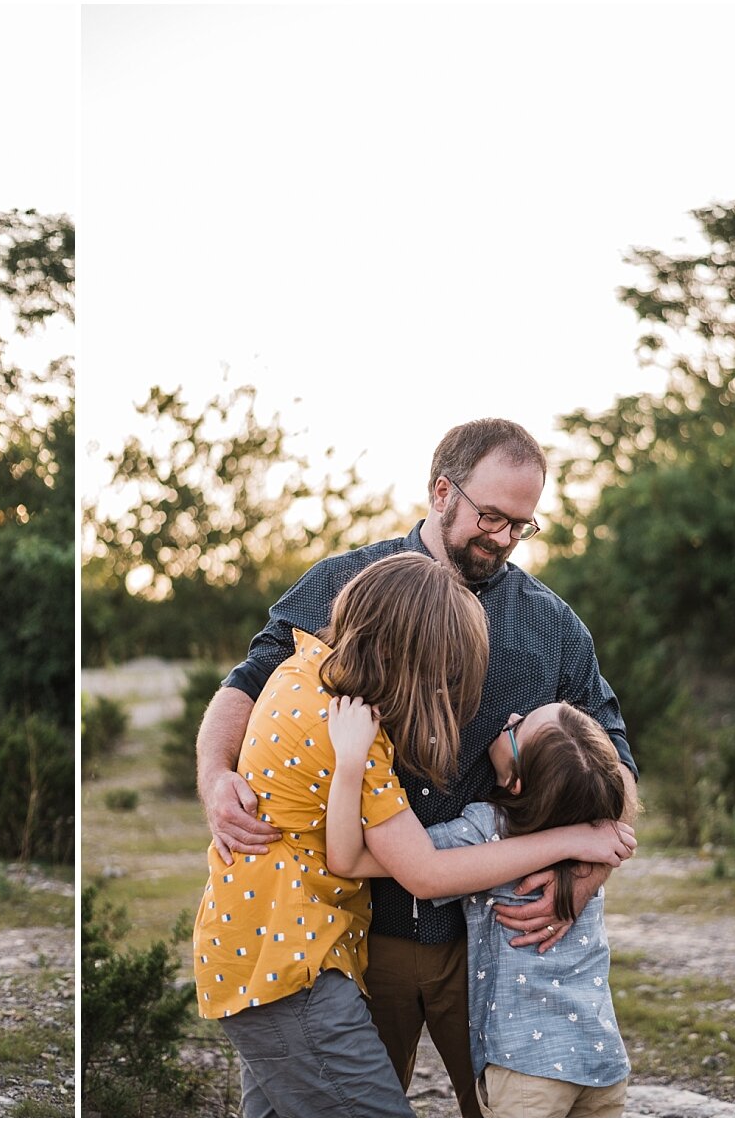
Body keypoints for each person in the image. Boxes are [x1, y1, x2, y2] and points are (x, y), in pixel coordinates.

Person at [195, 418, 638, 1115]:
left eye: (522, 525)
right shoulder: (342, 584)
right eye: (491, 516)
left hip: (485, 941)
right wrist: (218, 777)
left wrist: (584, 873)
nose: (503, 537)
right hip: (357, 934)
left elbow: (612, 758)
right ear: (442, 491)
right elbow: (247, 684)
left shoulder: (552, 626)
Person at [330, 700, 632, 1117]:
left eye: (518, 727)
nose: (509, 716)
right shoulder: (598, 837)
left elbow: (350, 859)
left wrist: (350, 763)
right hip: (602, 1063)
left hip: (528, 1071)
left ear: (515, 782)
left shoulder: (485, 831)